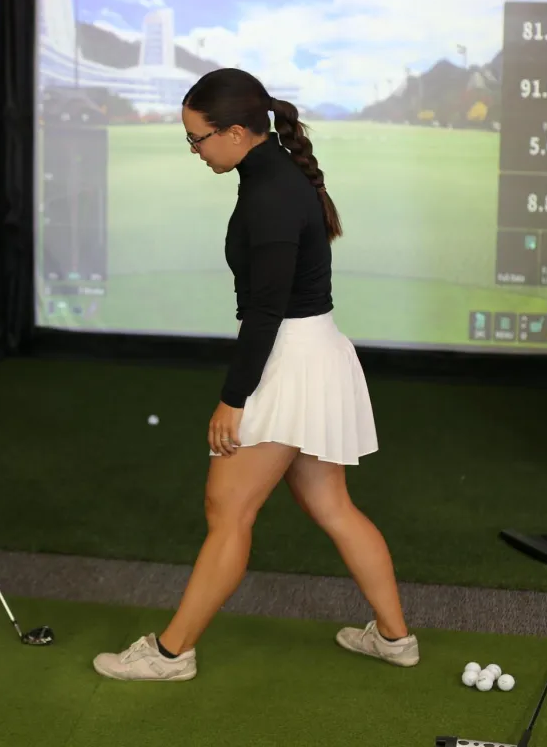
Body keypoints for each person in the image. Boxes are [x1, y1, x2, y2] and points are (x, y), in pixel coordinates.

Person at [93, 69, 418, 681]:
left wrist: (232, 400)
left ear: (237, 132)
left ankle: (171, 653)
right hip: (311, 352)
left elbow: (265, 313)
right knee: (331, 505)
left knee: (228, 509)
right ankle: (395, 638)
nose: (196, 152)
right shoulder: (269, 175)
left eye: (198, 139)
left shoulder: (270, 193)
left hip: (288, 360)